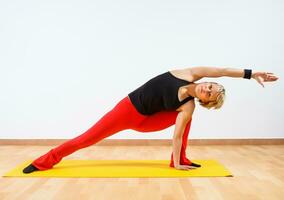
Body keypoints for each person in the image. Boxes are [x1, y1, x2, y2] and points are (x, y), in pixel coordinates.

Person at [22, 67, 278, 173]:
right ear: (206, 81)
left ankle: (179, 160)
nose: (207, 90)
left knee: (186, 119)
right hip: (128, 109)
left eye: (210, 95)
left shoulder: (188, 106)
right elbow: (222, 70)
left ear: (207, 101)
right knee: (87, 138)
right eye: (210, 86)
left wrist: (176, 164)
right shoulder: (189, 74)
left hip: (148, 121)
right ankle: (45, 161)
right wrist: (251, 73)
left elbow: (177, 135)